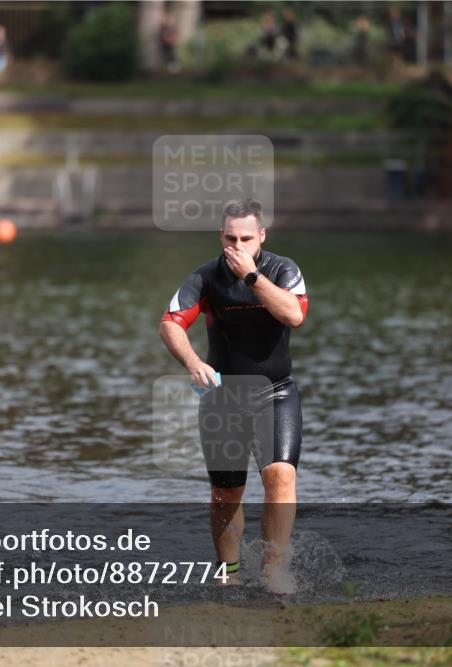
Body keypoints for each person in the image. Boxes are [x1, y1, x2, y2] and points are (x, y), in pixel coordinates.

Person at [159, 199, 308, 594]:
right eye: (230, 238)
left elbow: (293, 314)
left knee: (281, 475)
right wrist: (192, 362)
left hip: (275, 392)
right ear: (220, 236)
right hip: (223, 396)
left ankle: (273, 571)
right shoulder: (206, 278)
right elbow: (170, 324)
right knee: (226, 492)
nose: (237, 246)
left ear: (261, 236)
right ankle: (229, 571)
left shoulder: (283, 270)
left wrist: (253, 277)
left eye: (246, 238)